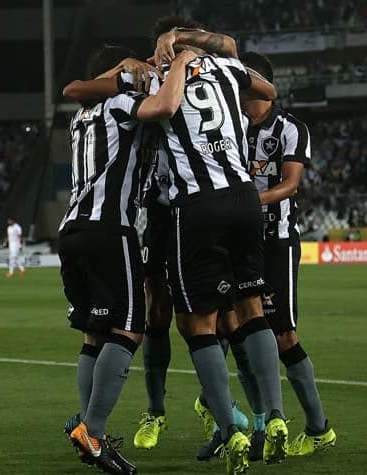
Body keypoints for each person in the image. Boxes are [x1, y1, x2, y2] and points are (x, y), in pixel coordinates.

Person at [58, 44, 192, 474]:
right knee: (131, 327)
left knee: (92, 335)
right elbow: (163, 107)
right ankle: (93, 433)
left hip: (71, 232)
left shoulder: (80, 119)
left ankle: (86, 427)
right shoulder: (118, 103)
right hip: (108, 230)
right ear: (115, 76)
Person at [131, 14, 248, 453]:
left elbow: (232, 48)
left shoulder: (213, 73)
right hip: (159, 210)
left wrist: (182, 45)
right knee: (157, 312)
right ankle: (156, 411)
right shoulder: (151, 77)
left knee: (220, 313)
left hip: (198, 205)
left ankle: (225, 414)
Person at [235, 50, 337, 459]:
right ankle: (258, 423)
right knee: (239, 331)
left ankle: (317, 428)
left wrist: (249, 201)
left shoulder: (291, 128)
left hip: (276, 239)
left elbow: (291, 184)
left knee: (282, 335)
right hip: (241, 240)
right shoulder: (233, 127)